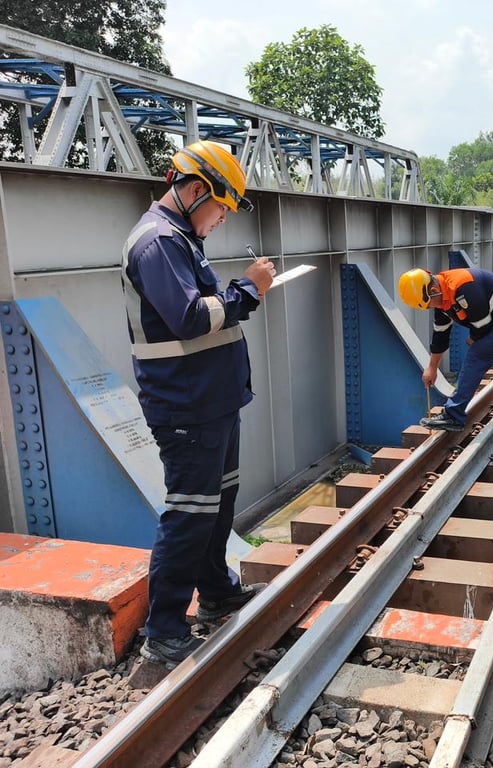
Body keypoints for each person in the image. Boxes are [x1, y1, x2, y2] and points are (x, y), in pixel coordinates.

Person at [121, 140, 276, 666]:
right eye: (220, 207)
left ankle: (216, 592)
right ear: (193, 191)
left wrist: (241, 294)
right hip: (186, 406)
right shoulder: (158, 243)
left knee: (217, 505)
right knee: (189, 512)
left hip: (212, 402)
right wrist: (247, 290)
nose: (223, 218)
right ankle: (164, 630)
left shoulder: (181, 240)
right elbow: (190, 318)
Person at [397, 267, 493, 440]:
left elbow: (483, 326)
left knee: (477, 355)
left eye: (429, 304)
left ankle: (453, 414)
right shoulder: (442, 299)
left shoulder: (463, 285)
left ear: (434, 290)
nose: (431, 308)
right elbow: (440, 337)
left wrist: (473, 339)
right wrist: (432, 368)